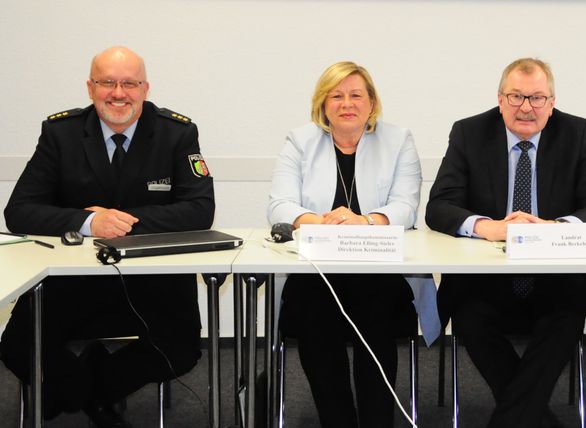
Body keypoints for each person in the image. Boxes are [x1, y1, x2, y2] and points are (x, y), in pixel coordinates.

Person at [1, 46, 214, 427]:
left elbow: (200, 209)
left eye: (129, 83)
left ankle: (81, 390)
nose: (119, 93)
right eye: (107, 82)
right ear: (90, 87)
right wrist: (87, 223)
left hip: (153, 283)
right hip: (71, 281)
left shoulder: (176, 133)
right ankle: (94, 394)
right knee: (16, 346)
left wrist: (123, 222)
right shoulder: (60, 133)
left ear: (145, 88)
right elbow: (18, 211)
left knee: (180, 351)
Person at [425, 57, 586, 428]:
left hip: (553, 277)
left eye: (537, 98)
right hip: (486, 278)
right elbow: (439, 205)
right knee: (469, 317)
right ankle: (536, 419)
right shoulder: (469, 132)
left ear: (552, 102)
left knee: (566, 316)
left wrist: (554, 227)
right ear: (499, 100)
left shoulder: (576, 133)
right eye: (516, 97)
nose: (526, 107)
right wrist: (486, 226)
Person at [267, 61, 434, 428]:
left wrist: (365, 221)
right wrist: (323, 222)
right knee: (315, 322)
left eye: (357, 95)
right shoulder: (299, 141)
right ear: (323, 104)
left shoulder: (398, 139)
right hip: (317, 272)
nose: (347, 103)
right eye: (336, 95)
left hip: (378, 269)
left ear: (371, 103)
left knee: (375, 316)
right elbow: (279, 205)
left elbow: (406, 206)